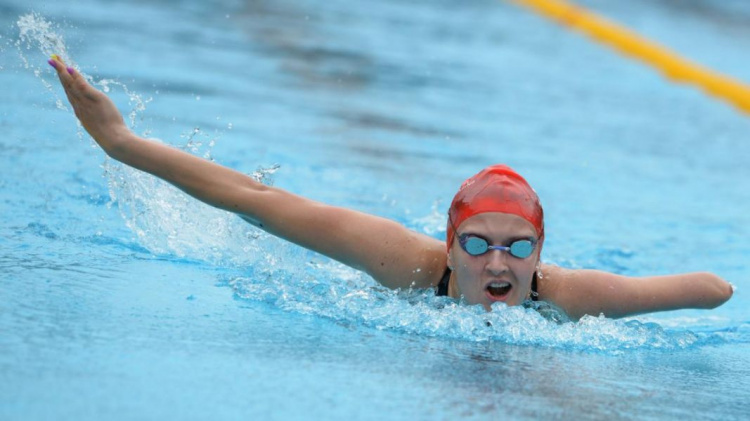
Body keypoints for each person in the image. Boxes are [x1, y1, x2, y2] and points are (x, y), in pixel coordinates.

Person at [47, 55, 733, 321]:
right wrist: (123, 143)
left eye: (517, 247)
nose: (497, 264)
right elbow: (256, 203)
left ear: (541, 249)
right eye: (477, 243)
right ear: (448, 242)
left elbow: (712, 289)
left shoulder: (567, 293)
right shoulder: (401, 261)